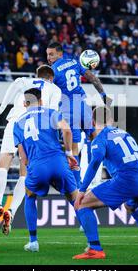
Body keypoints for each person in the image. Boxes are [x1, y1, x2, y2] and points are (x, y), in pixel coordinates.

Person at [73, 107, 138, 259]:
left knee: (83, 204)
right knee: (132, 206)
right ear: (110, 121)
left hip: (127, 180)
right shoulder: (125, 134)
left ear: (93, 122)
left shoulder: (100, 139)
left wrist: (82, 191)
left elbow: (95, 162)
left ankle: (95, 249)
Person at [0, 65, 62, 235]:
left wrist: (0, 109)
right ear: (50, 78)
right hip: (34, 127)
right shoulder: (54, 88)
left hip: (15, 121)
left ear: (37, 75)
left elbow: (14, 85)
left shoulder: (25, 80)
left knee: (3, 164)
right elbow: (52, 113)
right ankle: (12, 211)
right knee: (25, 171)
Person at [13, 88, 79, 252]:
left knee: (30, 196)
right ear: (41, 101)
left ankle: (33, 241)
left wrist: (31, 167)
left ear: (24, 104)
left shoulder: (17, 123)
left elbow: (22, 156)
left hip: (37, 164)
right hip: (58, 161)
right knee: (75, 198)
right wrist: (69, 153)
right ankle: (93, 243)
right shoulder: (51, 112)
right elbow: (67, 130)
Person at [46, 42, 112, 189]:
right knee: (96, 139)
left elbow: (47, 93)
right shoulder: (74, 62)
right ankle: (108, 173)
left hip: (68, 110)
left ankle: (78, 186)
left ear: (60, 54)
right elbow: (94, 79)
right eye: (47, 54)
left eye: (51, 54)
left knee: (73, 151)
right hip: (83, 106)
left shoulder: (52, 72)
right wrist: (104, 96)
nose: (48, 57)